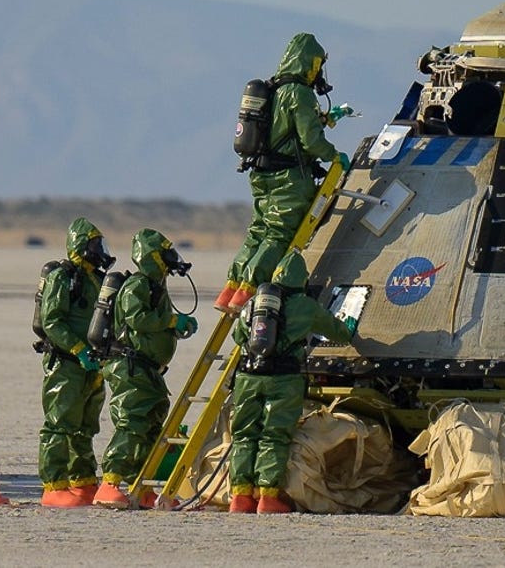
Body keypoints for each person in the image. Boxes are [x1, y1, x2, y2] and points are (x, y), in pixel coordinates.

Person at [215, 32, 348, 314]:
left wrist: (327, 118)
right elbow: (309, 141)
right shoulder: (299, 93)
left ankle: (230, 289)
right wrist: (335, 157)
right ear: (309, 63)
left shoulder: (273, 90)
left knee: (257, 232)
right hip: (289, 180)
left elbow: (285, 131)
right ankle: (247, 292)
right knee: (278, 235)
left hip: (262, 176)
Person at [227, 251, 356, 514]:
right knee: (274, 435)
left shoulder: (256, 303)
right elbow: (338, 332)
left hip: (247, 377)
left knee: (243, 435)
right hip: (282, 380)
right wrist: (349, 324)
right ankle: (267, 497)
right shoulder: (304, 306)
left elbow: (238, 335)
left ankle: (240, 498)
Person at [93, 228, 197, 509]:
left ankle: (144, 487)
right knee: (133, 421)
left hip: (148, 369)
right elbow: (137, 318)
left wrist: (173, 329)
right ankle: (110, 483)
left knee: (152, 426)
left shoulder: (154, 287)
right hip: (130, 367)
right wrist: (172, 322)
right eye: (164, 253)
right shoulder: (138, 285)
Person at [37, 217, 115, 508]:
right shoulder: (63, 277)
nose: (99, 250)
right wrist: (79, 349)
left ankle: (82, 481)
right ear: (80, 247)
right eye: (94, 245)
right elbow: (52, 320)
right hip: (67, 364)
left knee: (85, 426)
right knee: (60, 422)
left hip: (91, 366)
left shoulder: (94, 279)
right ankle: (54, 485)